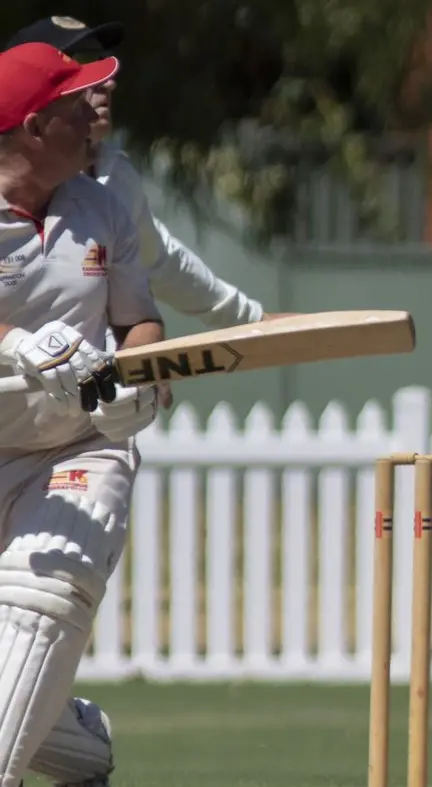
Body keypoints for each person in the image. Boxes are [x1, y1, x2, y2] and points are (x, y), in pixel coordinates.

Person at [0, 41, 166, 787]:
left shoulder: (100, 204)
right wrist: (19, 346)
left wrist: (138, 383)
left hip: (77, 447)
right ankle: (79, 746)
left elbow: (140, 323)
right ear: (35, 127)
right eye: (74, 108)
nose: (91, 118)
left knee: (45, 594)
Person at [5, 16, 283, 335]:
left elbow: (162, 264)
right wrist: (16, 345)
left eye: (101, 64)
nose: (108, 82)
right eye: (79, 66)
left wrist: (254, 323)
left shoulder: (114, 176)